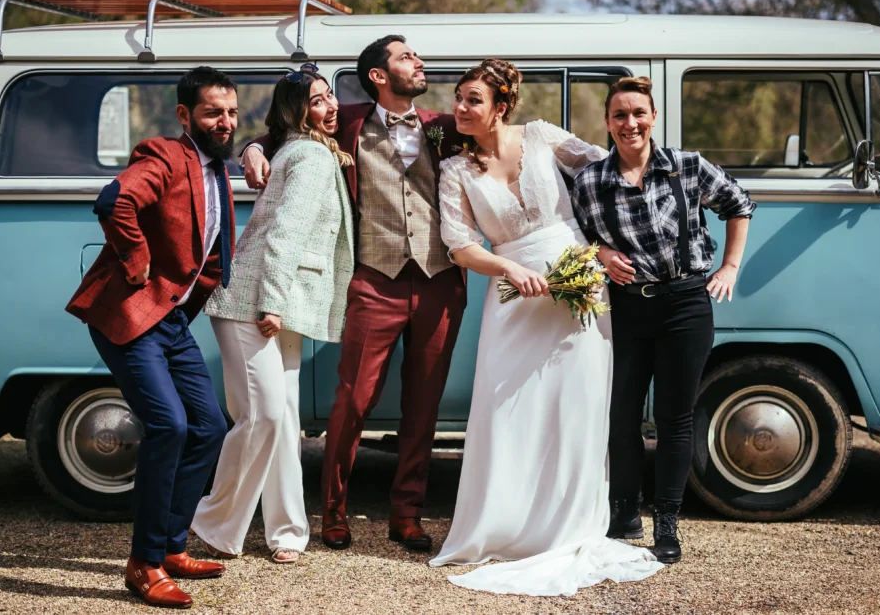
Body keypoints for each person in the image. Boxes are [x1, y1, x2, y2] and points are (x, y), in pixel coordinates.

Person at [428, 59, 664, 597]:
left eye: (472, 100)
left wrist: (602, 246)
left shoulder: (541, 137)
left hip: (579, 281)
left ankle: (572, 525)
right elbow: (460, 244)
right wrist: (508, 266)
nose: (459, 109)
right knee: (509, 410)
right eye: (459, 99)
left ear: (501, 106)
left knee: (574, 406)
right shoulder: (455, 170)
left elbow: (610, 169)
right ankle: (506, 526)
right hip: (513, 297)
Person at [241, 35, 464, 552]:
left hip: (439, 281)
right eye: (408, 56)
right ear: (379, 75)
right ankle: (333, 511)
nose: (420, 60)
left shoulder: (445, 127)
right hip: (372, 280)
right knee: (352, 400)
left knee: (424, 405)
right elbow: (284, 131)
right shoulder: (348, 118)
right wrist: (252, 148)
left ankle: (406, 513)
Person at [65, 66, 237, 609]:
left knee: (209, 427)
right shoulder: (165, 155)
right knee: (170, 424)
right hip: (129, 316)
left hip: (170, 322)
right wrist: (135, 260)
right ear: (186, 115)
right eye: (213, 112)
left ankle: (171, 546)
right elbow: (115, 200)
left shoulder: (217, 168)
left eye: (231, 112)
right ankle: (143, 564)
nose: (225, 121)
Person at [571, 76, 756, 565]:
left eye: (638, 113)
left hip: (685, 305)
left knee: (674, 419)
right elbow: (573, 239)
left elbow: (739, 204)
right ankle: (624, 514)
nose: (629, 123)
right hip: (626, 308)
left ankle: (667, 522)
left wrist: (731, 267)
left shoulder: (687, 167)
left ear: (653, 117)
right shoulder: (590, 181)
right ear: (607, 122)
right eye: (618, 115)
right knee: (622, 416)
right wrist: (601, 252)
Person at [190, 65, 355, 565]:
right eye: (321, 101)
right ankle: (207, 518)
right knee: (261, 416)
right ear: (298, 111)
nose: (332, 108)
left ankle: (287, 531)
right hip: (255, 303)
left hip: (276, 302)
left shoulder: (308, 151)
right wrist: (274, 302)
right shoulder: (308, 155)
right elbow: (285, 233)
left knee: (283, 420)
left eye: (331, 99)